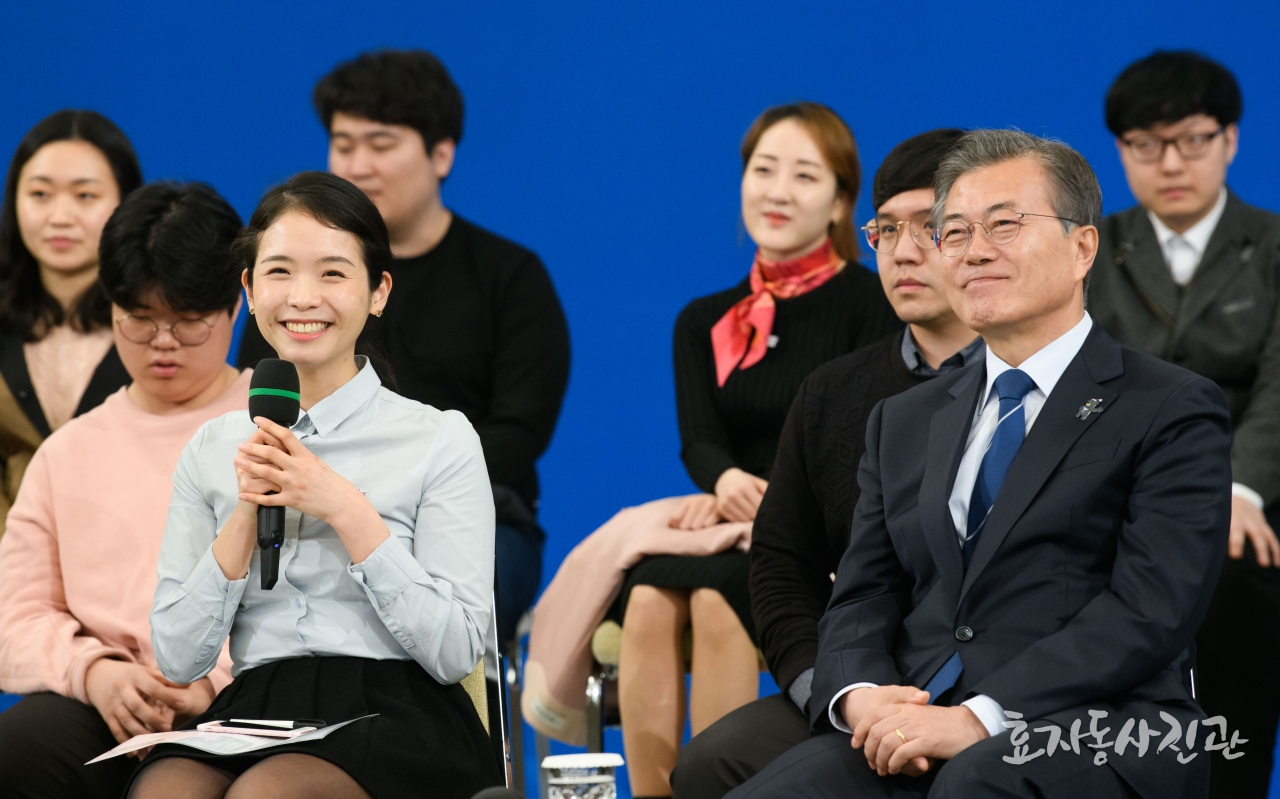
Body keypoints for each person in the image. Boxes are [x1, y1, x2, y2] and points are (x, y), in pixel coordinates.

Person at [727, 129, 1232, 799]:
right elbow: (863, 592)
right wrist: (861, 698)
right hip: (921, 710)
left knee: (973, 785)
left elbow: (1149, 609)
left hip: (1108, 721)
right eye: (955, 232)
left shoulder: (1170, 405)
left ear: (1083, 246)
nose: (973, 251)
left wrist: (980, 715)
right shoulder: (903, 419)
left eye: (1004, 225)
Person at [522, 102, 898, 799]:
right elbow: (699, 436)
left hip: (814, 525)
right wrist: (725, 479)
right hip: (726, 512)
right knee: (649, 596)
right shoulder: (703, 319)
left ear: (842, 200)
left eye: (805, 175)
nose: (778, 191)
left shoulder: (872, 303)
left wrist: (778, 504)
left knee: (722, 599)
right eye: (763, 170)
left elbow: (860, 434)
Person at [133, 171, 502, 799]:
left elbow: (456, 650)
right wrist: (248, 510)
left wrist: (342, 505)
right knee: (166, 790)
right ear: (249, 290)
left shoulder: (439, 438)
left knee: (269, 795)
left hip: (402, 704)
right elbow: (178, 657)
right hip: (257, 701)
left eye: (332, 273)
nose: (303, 297)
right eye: (279, 272)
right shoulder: (213, 448)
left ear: (378, 292)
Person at [671, 128, 980, 799]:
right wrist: (841, 694)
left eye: (929, 227)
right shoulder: (832, 392)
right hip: (862, 676)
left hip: (990, 688)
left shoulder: (1036, 384)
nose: (902, 253)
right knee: (710, 762)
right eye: (886, 230)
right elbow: (782, 567)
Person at [236, 49, 570, 648]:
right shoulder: (289, 292)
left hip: (475, 510)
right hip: (295, 498)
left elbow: (520, 435)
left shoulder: (510, 277)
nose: (358, 165)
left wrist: (381, 497)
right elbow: (256, 397)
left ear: (441, 154)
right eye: (343, 144)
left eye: (381, 144)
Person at [0, 181, 248, 799]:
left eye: (189, 322)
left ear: (237, 306)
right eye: (138, 321)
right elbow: (16, 617)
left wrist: (207, 682)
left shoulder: (280, 428)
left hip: (248, 694)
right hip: (109, 697)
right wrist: (96, 673)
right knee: (17, 751)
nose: (162, 343)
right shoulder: (69, 451)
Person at [1087, 50, 1280, 798]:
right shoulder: (1089, 249)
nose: (1171, 162)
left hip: (1249, 498)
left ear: (1230, 140)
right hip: (1121, 490)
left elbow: (1278, 386)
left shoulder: (1271, 248)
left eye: (1193, 140)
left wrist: (1241, 487)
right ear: (1121, 151)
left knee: (1236, 578)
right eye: (1146, 144)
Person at [0, 109, 142, 535]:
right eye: (40, 194)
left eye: (85, 196)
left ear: (125, 201)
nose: (60, 217)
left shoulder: (154, 320)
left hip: (124, 564)